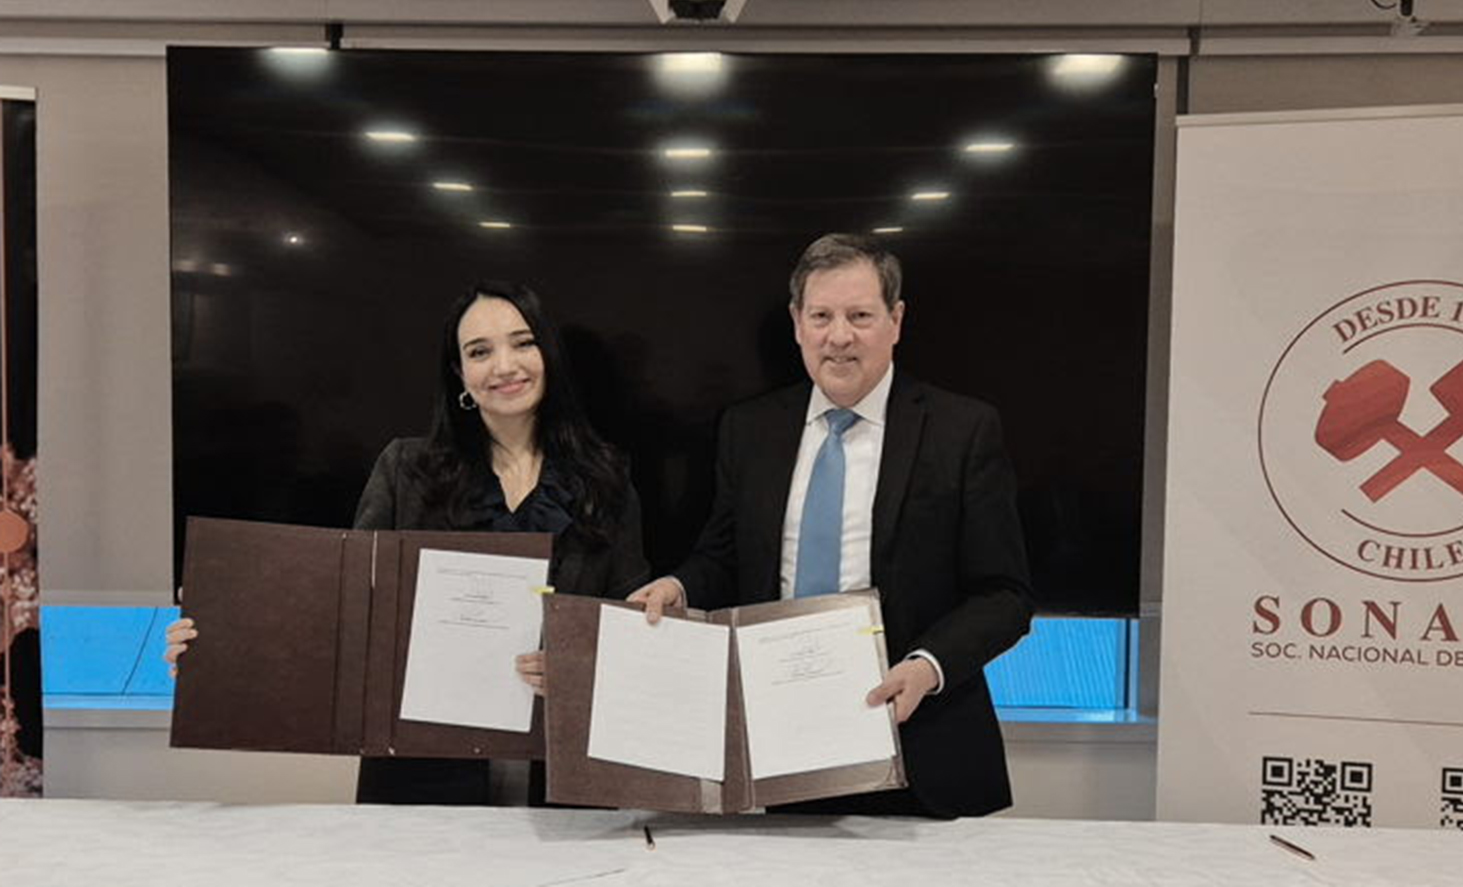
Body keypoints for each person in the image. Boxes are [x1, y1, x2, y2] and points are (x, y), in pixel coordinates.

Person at [167, 280, 649, 805]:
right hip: (422, 775)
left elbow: (632, 632)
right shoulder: (407, 470)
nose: (505, 365)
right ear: (459, 375)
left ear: (547, 355)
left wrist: (577, 667)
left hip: (567, 776)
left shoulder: (606, 481)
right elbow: (345, 612)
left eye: (523, 343)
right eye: (479, 352)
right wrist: (220, 644)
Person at [628, 233, 1032, 818]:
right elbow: (725, 555)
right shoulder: (750, 429)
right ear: (797, 323)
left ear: (896, 321)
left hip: (919, 745)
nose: (838, 336)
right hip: (777, 746)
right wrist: (679, 587)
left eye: (859, 316)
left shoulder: (962, 431)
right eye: (821, 316)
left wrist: (927, 667)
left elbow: (1005, 595)